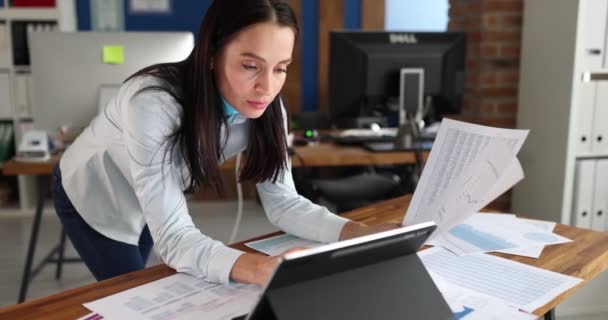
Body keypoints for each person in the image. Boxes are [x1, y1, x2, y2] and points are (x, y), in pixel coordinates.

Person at [51, 0, 399, 287]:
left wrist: (356, 233)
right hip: (97, 195)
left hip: (151, 196)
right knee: (132, 291)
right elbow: (172, 237)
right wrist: (259, 269)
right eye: (251, 66)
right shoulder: (153, 103)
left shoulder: (268, 108)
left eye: (281, 68)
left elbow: (283, 203)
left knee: (157, 275)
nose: (267, 87)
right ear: (213, 53)